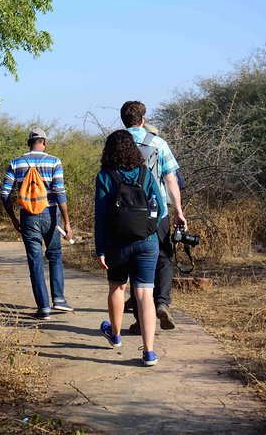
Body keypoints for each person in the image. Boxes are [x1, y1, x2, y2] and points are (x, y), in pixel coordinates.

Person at [95, 129, 165, 366]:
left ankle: (115, 336)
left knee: (117, 287)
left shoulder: (105, 176)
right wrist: (149, 229)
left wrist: (100, 248)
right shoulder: (145, 173)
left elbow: (101, 216)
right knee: (145, 295)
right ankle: (149, 352)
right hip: (147, 242)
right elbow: (161, 208)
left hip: (117, 244)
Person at [120, 101, 187, 334]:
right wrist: (178, 211)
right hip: (157, 211)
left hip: (126, 214)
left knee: (134, 262)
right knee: (163, 258)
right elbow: (171, 180)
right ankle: (162, 302)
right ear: (142, 119)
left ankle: (140, 321)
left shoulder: (117, 143)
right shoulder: (158, 142)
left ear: (124, 120)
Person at [0, 128, 74, 320]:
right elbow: (60, 193)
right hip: (51, 215)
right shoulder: (54, 161)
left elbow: (4, 194)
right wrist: (67, 222)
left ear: (29, 142)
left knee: (35, 261)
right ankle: (58, 299)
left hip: (28, 218)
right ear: (44, 142)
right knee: (55, 256)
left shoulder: (15, 163)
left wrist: (14, 219)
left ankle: (43, 308)